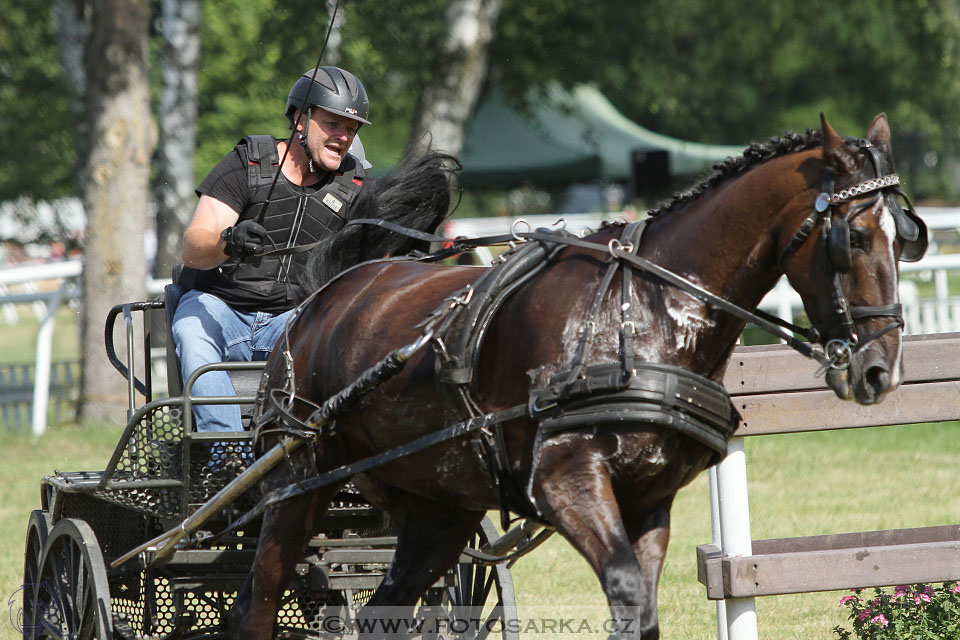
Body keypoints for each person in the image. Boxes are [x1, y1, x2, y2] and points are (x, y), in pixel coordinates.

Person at [171, 66, 372, 433]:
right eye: (332, 123)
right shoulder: (247, 165)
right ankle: (226, 453)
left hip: (292, 320)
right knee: (190, 326)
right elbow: (193, 248)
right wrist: (228, 243)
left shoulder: (355, 187)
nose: (343, 137)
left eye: (351, 128)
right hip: (221, 308)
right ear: (300, 119)